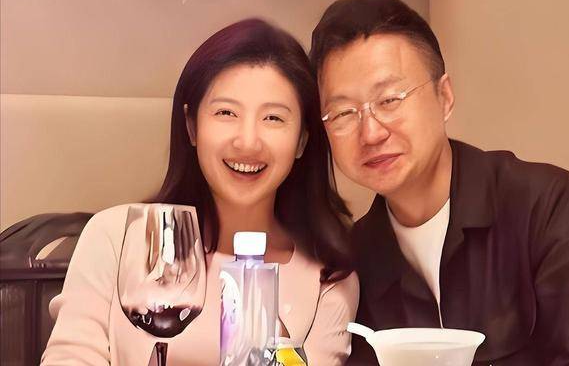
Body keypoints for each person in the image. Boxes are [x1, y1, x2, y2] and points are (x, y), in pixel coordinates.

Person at [309, 0, 569, 365]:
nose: (371, 133)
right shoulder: (356, 260)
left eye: (390, 100)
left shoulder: (542, 206)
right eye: (343, 113)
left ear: (445, 96)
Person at [42, 19, 359, 365]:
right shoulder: (118, 237)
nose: (248, 142)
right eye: (226, 112)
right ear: (192, 126)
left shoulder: (328, 276)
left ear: (302, 140)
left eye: (273, 118)